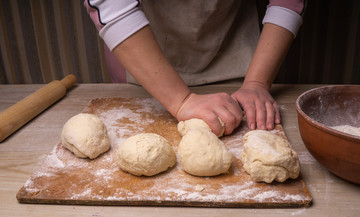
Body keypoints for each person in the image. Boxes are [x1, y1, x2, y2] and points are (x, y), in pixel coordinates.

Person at [84, 0, 306, 136]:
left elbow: (287, 1)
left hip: (236, 59)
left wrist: (257, 82)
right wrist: (180, 101)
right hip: (142, 66)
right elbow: (110, 3)